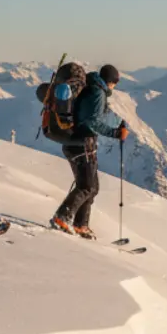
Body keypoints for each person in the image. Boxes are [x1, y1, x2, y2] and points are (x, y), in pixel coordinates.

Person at [51, 64, 128, 239]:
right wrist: (115, 133)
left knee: (91, 187)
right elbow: (93, 121)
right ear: (112, 82)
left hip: (75, 142)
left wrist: (119, 123)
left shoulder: (92, 88)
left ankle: (80, 224)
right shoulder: (97, 93)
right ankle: (62, 217)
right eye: (115, 83)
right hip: (82, 143)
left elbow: (99, 114)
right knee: (87, 187)